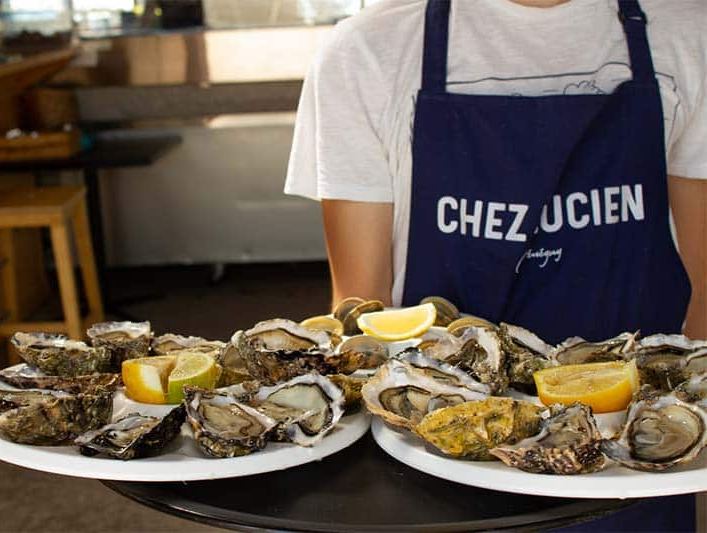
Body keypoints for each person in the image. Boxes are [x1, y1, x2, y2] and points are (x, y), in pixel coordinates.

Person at [284, 0, 706, 530]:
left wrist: (677, 431)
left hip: (632, 463)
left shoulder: (691, 32)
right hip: (444, 464)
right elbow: (363, 314)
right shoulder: (366, 52)